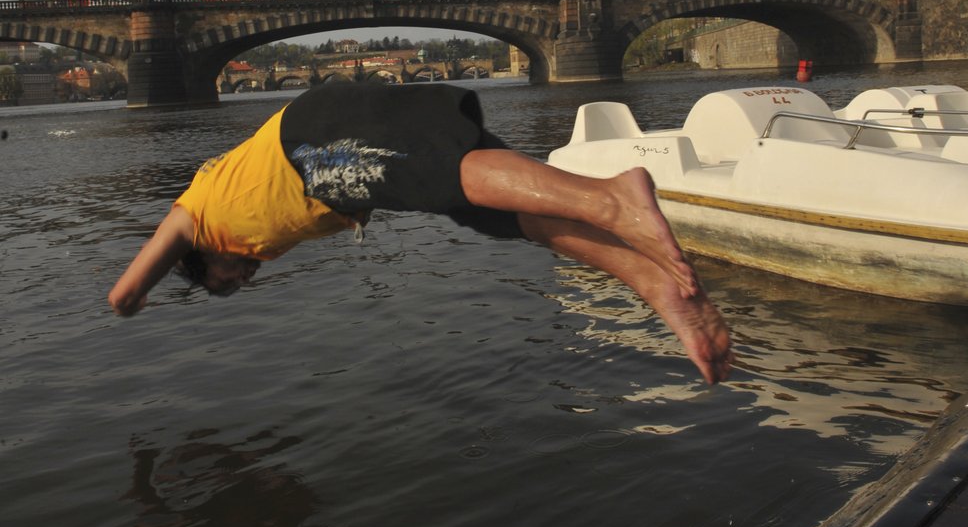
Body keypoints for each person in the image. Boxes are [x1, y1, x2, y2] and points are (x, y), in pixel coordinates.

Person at [108, 81, 731, 385]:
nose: (240, 279)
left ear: (201, 259)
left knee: (438, 172)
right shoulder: (253, 231)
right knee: (490, 212)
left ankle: (611, 197)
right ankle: (656, 283)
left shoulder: (197, 214)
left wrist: (132, 296)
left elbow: (141, 270)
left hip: (315, 139)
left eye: (224, 283)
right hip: (327, 163)